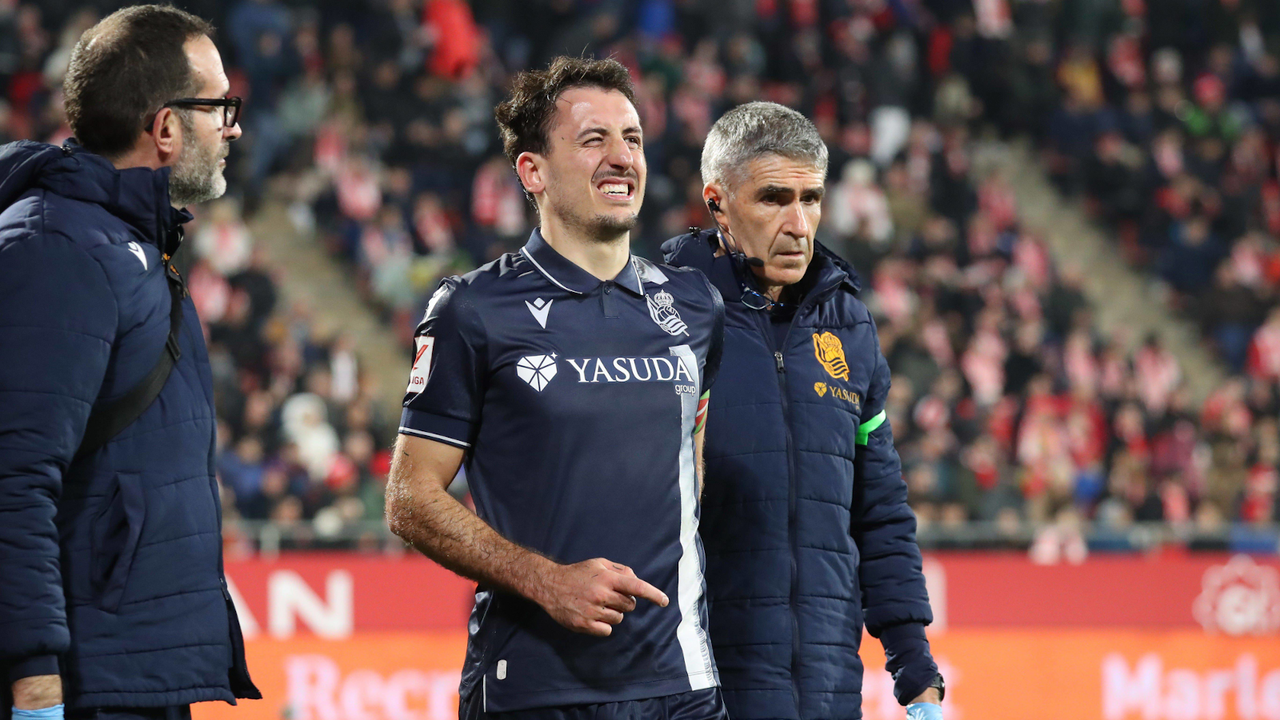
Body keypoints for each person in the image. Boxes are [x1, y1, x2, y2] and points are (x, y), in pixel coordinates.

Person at [384, 56, 728, 720]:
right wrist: (546, 581)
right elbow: (409, 498)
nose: (622, 157)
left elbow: (692, 461)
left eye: (632, 138)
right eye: (593, 139)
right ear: (532, 172)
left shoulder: (695, 306)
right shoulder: (472, 310)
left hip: (682, 684)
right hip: (537, 690)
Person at [0, 7, 258, 720]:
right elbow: (13, 478)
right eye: (220, 106)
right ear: (166, 127)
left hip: (130, 675)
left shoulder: (122, 244)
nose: (233, 127)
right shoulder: (56, 248)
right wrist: (35, 682)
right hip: (81, 685)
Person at [662, 102, 945, 720]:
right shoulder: (662, 321)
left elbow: (879, 510)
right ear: (717, 204)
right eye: (773, 199)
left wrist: (916, 671)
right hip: (700, 691)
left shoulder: (849, 326)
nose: (798, 225)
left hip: (828, 689)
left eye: (811, 199)